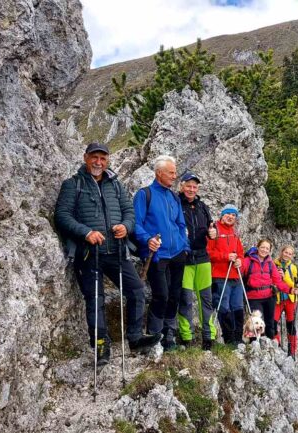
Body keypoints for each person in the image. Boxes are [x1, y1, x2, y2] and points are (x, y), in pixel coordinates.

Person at [54, 143, 160, 366]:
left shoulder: (116, 186)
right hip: (88, 253)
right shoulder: (73, 185)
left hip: (116, 251)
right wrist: (86, 232)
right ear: (85, 158)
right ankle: (101, 346)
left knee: (137, 290)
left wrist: (125, 226)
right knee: (95, 300)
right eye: (94, 157)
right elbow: (62, 216)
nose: (98, 162)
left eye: (103, 158)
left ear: (108, 160)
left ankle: (135, 338)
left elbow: (129, 212)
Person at [133, 155, 190, 352]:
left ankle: (169, 336)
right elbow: (136, 224)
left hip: (177, 254)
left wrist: (185, 247)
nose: (175, 176)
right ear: (159, 173)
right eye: (171, 173)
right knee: (161, 295)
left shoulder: (174, 197)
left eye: (175, 172)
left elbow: (181, 224)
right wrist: (147, 239)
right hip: (155, 255)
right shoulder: (144, 194)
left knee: (174, 295)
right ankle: (155, 336)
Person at [176, 172, 218, 351]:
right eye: (188, 185)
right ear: (182, 186)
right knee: (185, 299)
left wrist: (213, 232)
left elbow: (211, 226)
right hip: (183, 259)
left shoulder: (203, 207)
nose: (191, 189)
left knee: (206, 299)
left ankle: (209, 337)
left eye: (194, 186)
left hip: (202, 258)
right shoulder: (175, 204)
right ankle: (186, 337)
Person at [206, 204, 245, 345]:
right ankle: (229, 339)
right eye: (228, 214)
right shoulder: (213, 230)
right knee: (224, 307)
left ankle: (238, 338)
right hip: (220, 276)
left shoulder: (234, 233)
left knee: (238, 307)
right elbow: (208, 253)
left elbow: (240, 253)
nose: (231, 217)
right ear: (222, 215)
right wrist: (225, 256)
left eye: (234, 215)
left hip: (235, 276)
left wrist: (240, 261)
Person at [241, 240, 290, 340]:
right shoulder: (247, 261)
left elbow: (277, 281)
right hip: (253, 297)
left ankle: (270, 345)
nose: (264, 250)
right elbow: (238, 272)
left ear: (270, 251)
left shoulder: (270, 263)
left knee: (270, 323)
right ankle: (255, 345)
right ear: (258, 247)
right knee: (256, 323)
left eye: (267, 248)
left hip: (269, 297)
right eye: (262, 247)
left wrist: (290, 290)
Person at [273, 245, 298, 357]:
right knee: (273, 324)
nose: (287, 255)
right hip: (277, 299)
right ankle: (276, 346)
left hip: (290, 299)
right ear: (281, 252)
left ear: (292, 256)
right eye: (285, 252)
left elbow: (295, 286)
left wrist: (285, 277)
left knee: (291, 325)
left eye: (289, 253)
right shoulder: (273, 264)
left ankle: (292, 352)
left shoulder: (293, 268)